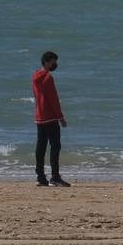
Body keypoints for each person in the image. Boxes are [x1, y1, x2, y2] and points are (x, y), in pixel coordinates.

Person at [32, 51, 70, 187]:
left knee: (40, 147)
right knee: (55, 146)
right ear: (47, 62)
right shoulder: (48, 78)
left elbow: (37, 97)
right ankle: (55, 177)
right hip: (50, 118)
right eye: (54, 61)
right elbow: (53, 100)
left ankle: (40, 177)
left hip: (39, 116)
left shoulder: (35, 76)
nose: (55, 64)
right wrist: (61, 117)